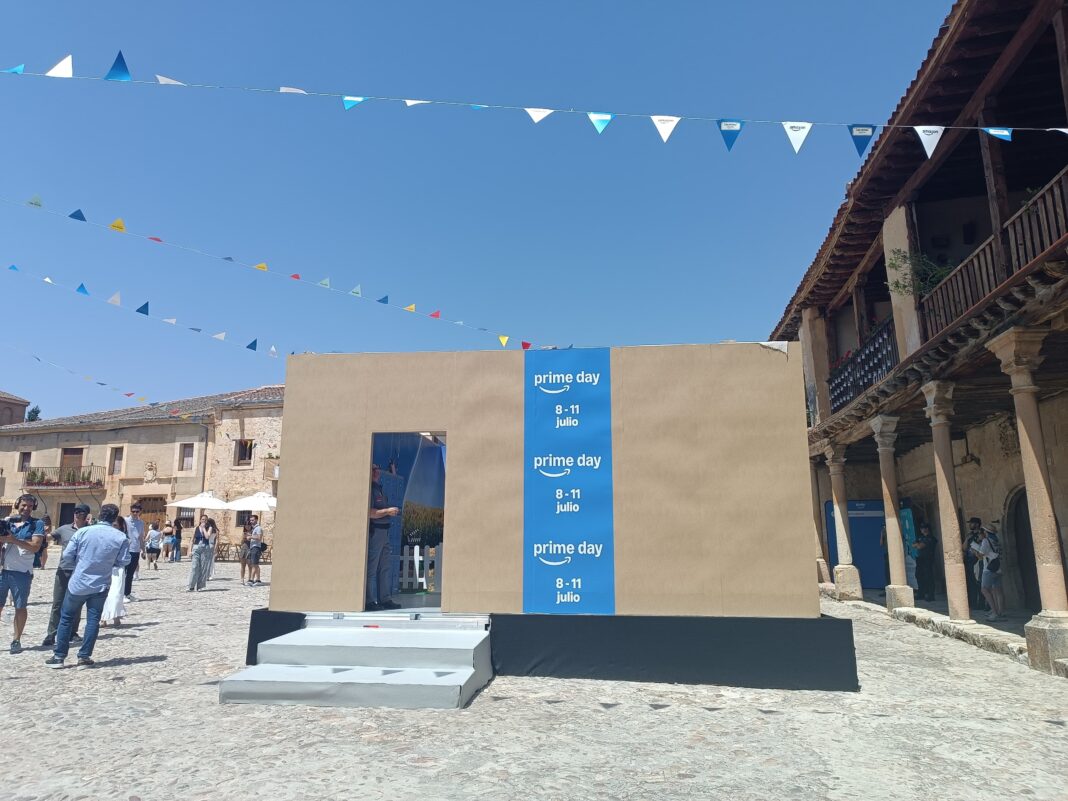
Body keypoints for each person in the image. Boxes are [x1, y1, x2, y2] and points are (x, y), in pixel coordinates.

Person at [45, 503, 130, 668]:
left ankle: (59, 656)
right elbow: (124, 561)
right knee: (93, 620)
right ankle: (84, 657)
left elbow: (67, 555)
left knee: (66, 618)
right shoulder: (121, 537)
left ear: (100, 514)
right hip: (101, 584)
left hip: (79, 582)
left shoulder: (83, 532)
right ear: (114, 518)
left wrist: (80, 564)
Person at [0, 494, 46, 653]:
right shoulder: (7, 521)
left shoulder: (37, 524)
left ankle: (16, 639)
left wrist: (13, 540)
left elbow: (35, 546)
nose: (26, 509)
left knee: (20, 606)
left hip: (22, 572)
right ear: (17, 505)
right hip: (4, 570)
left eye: (30, 506)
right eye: (23, 505)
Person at [43, 504, 90, 647]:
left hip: (81, 572)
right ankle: (51, 633)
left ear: (87, 515)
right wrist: (43, 532)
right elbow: (49, 537)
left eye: (81, 512)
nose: (78, 514)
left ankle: (72, 632)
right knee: (57, 603)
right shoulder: (64, 529)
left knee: (77, 604)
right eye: (76, 512)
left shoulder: (90, 531)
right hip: (64, 570)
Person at [366, 465, 401, 610]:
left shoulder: (379, 489)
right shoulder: (369, 490)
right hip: (376, 532)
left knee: (384, 568)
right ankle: (368, 601)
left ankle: (385, 599)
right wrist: (387, 511)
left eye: (377, 469)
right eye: (373, 469)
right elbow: (370, 512)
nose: (376, 472)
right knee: (371, 569)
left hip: (385, 533)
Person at [973, 525, 1005, 621]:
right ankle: (1000, 611)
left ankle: (994, 613)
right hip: (998, 568)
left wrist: (975, 551)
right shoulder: (996, 541)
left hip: (989, 569)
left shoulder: (986, 541)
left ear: (986, 532)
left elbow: (980, 555)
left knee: (984, 590)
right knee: (998, 590)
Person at [100, 516, 128, 627]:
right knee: (104, 593)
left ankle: (116, 615)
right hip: (104, 568)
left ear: (120, 526)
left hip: (117, 568)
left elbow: (125, 558)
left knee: (116, 594)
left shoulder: (123, 538)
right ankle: (103, 618)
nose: (112, 527)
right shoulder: (103, 536)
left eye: (115, 525)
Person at [962, 517, 987, 612]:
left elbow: (982, 547)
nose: (970, 525)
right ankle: (973, 603)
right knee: (971, 583)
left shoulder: (981, 534)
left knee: (979, 583)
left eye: (972, 523)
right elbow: (964, 548)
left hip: (978, 561)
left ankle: (981, 603)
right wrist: (967, 539)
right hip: (969, 561)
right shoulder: (970, 535)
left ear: (977, 524)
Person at [123, 503, 145, 601]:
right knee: (123, 573)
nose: (135, 513)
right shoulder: (125, 521)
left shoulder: (141, 523)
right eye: (133, 511)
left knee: (130, 574)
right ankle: (121, 594)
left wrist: (143, 550)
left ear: (140, 512)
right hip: (126, 549)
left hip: (136, 550)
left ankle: (127, 593)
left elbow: (141, 537)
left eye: (137, 511)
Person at [188, 516, 215, 592]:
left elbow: (207, 537)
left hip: (205, 548)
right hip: (196, 547)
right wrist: (189, 550)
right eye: (203, 519)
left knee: (203, 567)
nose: (204, 521)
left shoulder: (209, 528)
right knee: (194, 567)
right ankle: (191, 586)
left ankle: (200, 586)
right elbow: (192, 539)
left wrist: (203, 529)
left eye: (205, 520)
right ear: (200, 520)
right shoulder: (196, 528)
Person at [913, 522, 938, 603]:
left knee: (928, 577)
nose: (922, 530)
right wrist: (918, 544)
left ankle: (930, 595)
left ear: (927, 529)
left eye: (923, 528)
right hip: (920, 559)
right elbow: (913, 545)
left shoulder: (931, 538)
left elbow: (920, 546)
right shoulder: (921, 537)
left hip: (928, 559)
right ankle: (921, 593)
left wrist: (918, 545)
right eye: (921, 528)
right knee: (919, 575)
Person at [246, 515, 266, 587]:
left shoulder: (258, 528)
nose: (251, 521)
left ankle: (251, 580)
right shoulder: (254, 528)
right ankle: (258, 580)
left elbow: (259, 537)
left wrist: (250, 537)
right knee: (256, 564)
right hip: (253, 547)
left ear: (256, 520)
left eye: (253, 520)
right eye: (250, 520)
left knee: (254, 564)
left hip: (256, 547)